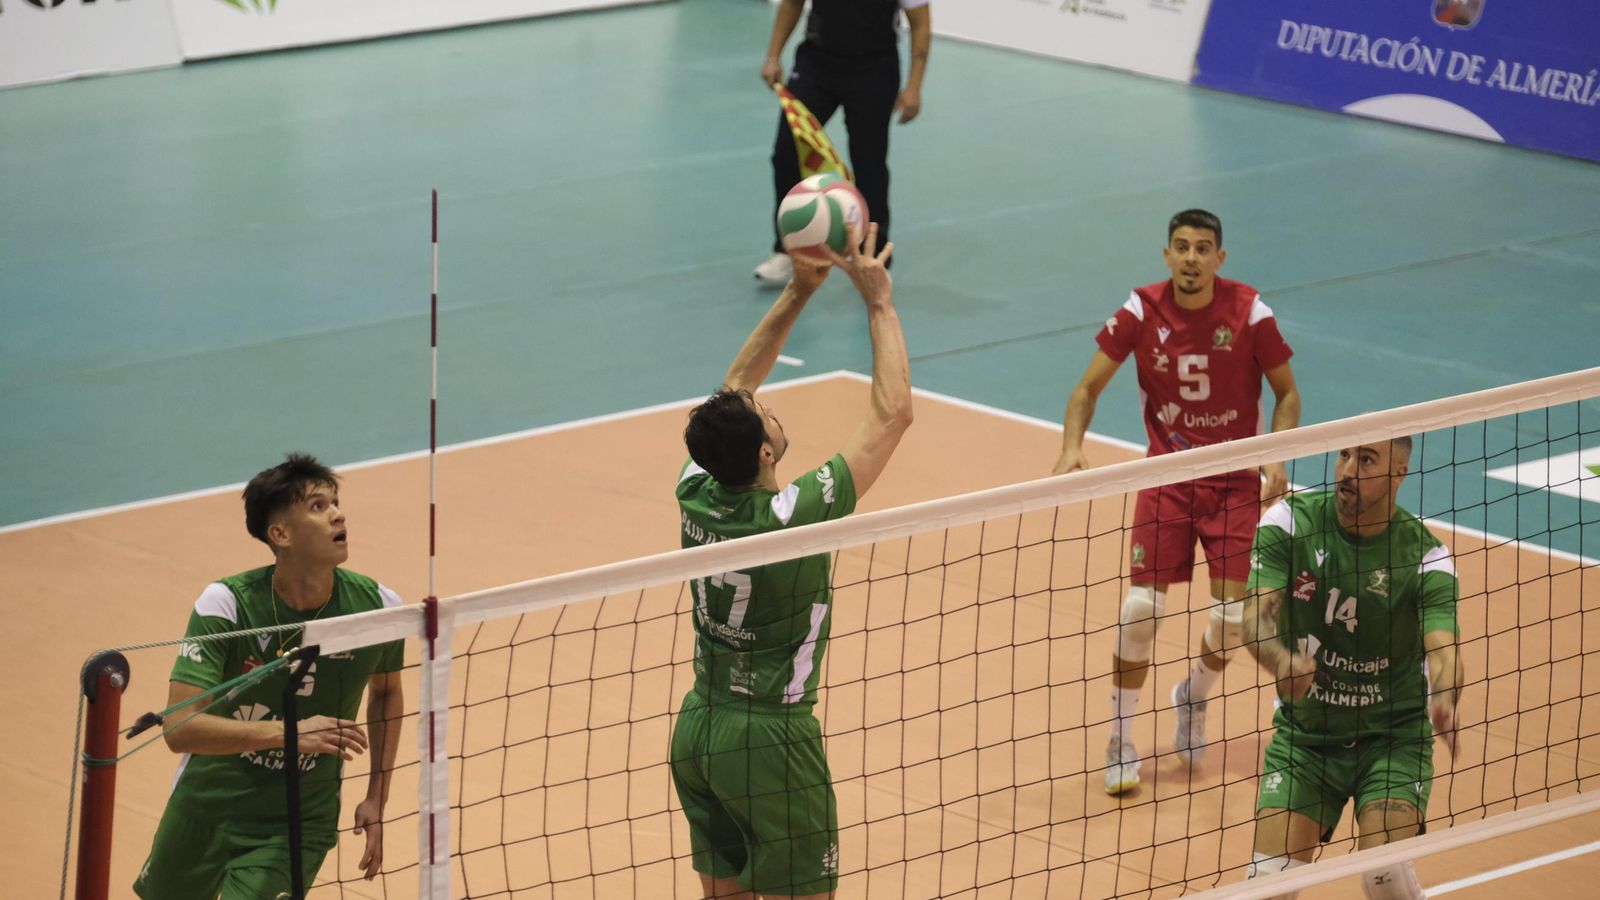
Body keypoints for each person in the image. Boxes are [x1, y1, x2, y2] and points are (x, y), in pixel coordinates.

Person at [671, 223, 912, 897]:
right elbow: (893, 415)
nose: (764, 402)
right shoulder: (795, 515)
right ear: (767, 454)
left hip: (699, 727)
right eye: (766, 413)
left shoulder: (696, 492)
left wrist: (799, 293)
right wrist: (879, 303)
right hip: (771, 737)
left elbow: (734, 387)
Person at [1051, 209, 1301, 794]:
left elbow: (1288, 393)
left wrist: (1277, 457)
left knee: (1232, 621)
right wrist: (1071, 447)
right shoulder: (1141, 311)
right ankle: (1120, 737)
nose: (1191, 257)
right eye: (1181, 247)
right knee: (1141, 611)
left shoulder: (1250, 313)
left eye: (1203, 248)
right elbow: (1085, 389)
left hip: (1234, 482)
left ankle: (1193, 695)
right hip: (1167, 477)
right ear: (1167, 255)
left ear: (1220, 258)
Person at [134, 453, 405, 898]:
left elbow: (387, 692)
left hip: (296, 822)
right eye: (318, 506)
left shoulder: (378, 606)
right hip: (206, 809)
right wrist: (291, 734)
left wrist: (377, 796)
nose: (338, 513)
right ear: (280, 534)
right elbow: (180, 728)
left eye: (335, 502)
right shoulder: (226, 604)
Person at [1241, 437, 1463, 900]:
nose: (1347, 470)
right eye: (1345, 454)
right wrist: (1280, 659)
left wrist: (1443, 697)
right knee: (1267, 889)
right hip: (1307, 738)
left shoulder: (1425, 557)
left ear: (1398, 473)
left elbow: (1444, 650)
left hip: (1391, 740)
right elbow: (1253, 618)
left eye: (1366, 460)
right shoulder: (1289, 522)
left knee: (1383, 880)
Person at [754, 0, 931, 284]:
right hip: (816, 65)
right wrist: (773, 55)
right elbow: (792, 4)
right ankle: (788, 251)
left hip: (874, 70)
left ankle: (873, 261)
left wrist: (914, 87)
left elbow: (921, 24)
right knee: (787, 153)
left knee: (869, 163)